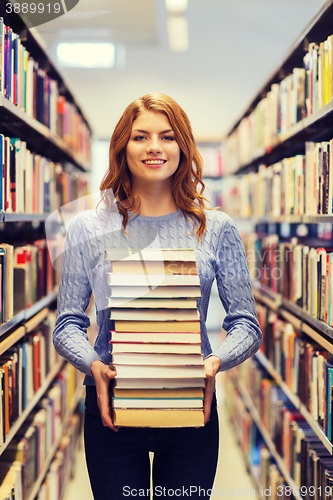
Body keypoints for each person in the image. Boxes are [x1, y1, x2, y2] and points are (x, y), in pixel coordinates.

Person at [53, 92, 262, 499]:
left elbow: (246, 323)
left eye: (167, 137)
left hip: (191, 404)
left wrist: (214, 363)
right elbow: (67, 324)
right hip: (109, 402)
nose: (154, 147)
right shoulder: (87, 228)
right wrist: (93, 365)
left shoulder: (215, 228)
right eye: (140, 137)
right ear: (121, 147)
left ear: (183, 147)